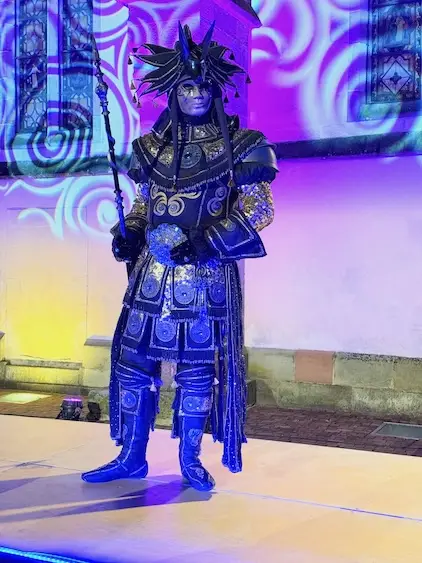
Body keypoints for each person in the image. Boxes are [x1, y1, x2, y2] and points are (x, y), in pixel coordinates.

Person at [82, 23, 278, 492]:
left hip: (204, 274)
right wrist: (130, 232)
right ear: (173, 90)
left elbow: (259, 208)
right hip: (151, 274)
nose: (196, 94)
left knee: (196, 369)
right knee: (132, 362)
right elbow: (144, 203)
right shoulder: (152, 149)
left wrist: (207, 241)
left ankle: (190, 460)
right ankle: (131, 456)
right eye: (187, 87)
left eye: (203, 86)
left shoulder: (243, 146)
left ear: (216, 90)